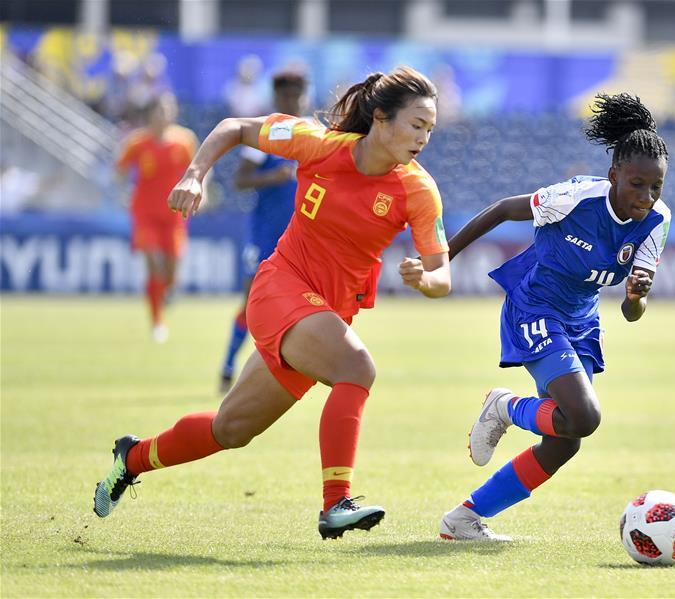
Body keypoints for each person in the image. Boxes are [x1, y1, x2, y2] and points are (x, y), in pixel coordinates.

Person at [94, 66, 452, 539]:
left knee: (232, 429)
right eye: (416, 125)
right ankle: (335, 503)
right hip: (280, 286)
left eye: (430, 128)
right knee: (357, 368)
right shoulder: (320, 144)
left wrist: (425, 279)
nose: (424, 137)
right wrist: (195, 175)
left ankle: (132, 457)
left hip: (322, 315)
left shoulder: (418, 189)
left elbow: (442, 274)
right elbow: (233, 128)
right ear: (381, 119)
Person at [437, 93, 671, 541]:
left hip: (582, 318)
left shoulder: (657, 221)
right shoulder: (577, 197)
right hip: (535, 306)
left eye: (656, 187)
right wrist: (442, 256)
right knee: (584, 416)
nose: (646, 197)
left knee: (566, 440)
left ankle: (464, 518)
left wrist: (638, 296)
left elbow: (631, 312)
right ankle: (505, 407)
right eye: (637, 184)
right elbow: (505, 209)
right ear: (613, 176)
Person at [219, 70, 310, 393]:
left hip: (301, 240)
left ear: (305, 98)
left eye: (296, 97)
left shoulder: (315, 136)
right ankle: (228, 364)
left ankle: (289, 370)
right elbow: (239, 180)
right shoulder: (266, 135)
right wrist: (272, 179)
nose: (291, 102)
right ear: (275, 99)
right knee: (250, 302)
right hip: (264, 234)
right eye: (285, 97)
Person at [116, 92, 198, 342]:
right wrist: (124, 193)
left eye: (168, 109)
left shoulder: (184, 141)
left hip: (174, 214)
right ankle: (157, 323)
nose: (164, 114)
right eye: (160, 110)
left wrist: (198, 189)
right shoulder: (137, 143)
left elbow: (199, 168)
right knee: (153, 263)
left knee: (171, 271)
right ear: (150, 114)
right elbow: (119, 171)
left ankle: (166, 290)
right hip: (145, 213)